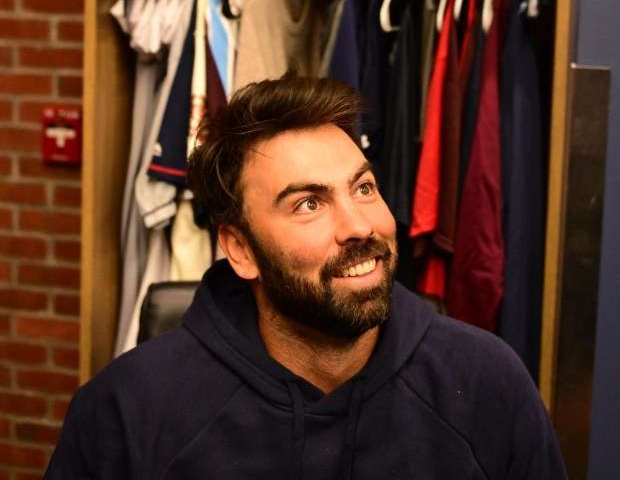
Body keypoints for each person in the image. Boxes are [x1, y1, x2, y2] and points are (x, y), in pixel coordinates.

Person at [44, 72, 568, 479]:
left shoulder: (487, 385)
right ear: (240, 249)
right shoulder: (127, 412)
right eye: (309, 204)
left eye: (363, 188)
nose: (361, 226)